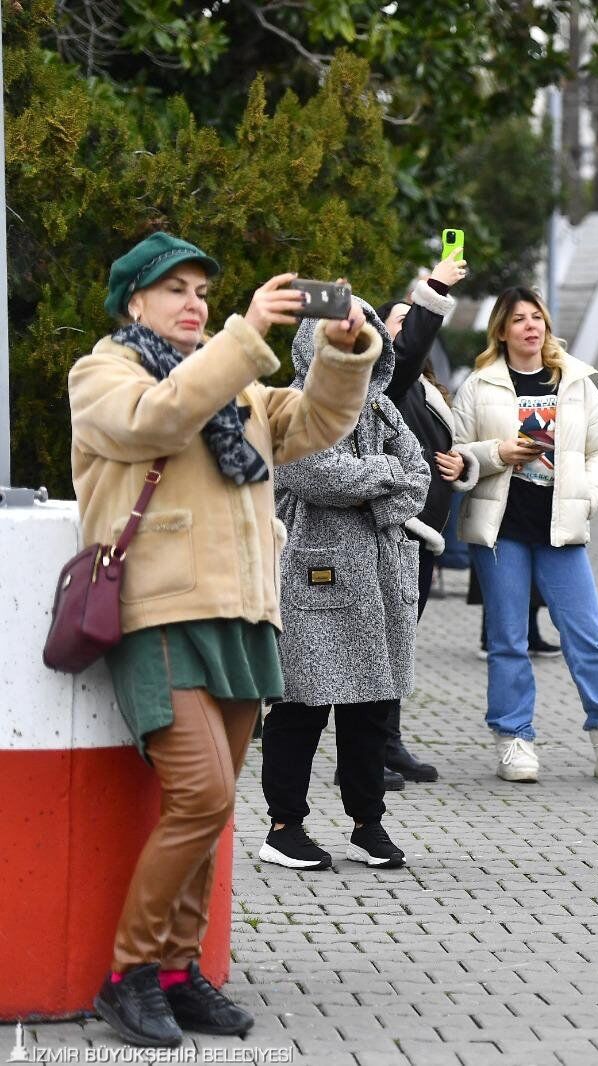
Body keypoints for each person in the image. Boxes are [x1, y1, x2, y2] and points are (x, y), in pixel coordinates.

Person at [71, 233, 378, 1046]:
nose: (193, 303)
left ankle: (176, 970)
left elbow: (310, 423)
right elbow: (156, 420)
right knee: (202, 793)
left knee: (212, 810)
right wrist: (246, 336)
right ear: (133, 302)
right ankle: (128, 973)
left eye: (202, 290)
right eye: (174, 289)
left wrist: (343, 356)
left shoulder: (231, 379)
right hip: (157, 611)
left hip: (243, 615)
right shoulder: (106, 372)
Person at [260, 300, 432, 874]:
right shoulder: (293, 406)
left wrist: (374, 486)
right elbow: (309, 472)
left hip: (382, 576)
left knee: (372, 706)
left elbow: (420, 478)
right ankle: (284, 826)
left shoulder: (385, 409)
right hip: (316, 571)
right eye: (343, 333)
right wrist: (383, 479)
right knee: (301, 703)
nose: (356, 341)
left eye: (366, 333)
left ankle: (368, 821)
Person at [452, 286, 598, 784]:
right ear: (502, 330)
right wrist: (499, 453)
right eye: (518, 319)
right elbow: (454, 454)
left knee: (587, 637)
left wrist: (589, 497)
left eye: (537, 318)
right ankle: (514, 741)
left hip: (562, 529)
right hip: (502, 529)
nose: (530, 327)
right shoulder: (480, 385)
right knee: (508, 639)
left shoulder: (575, 381)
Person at [375, 253, 476, 785]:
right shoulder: (383, 383)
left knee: (400, 643)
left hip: (425, 533)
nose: (406, 329)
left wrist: (463, 463)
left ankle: (388, 743)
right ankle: (371, 749)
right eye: (398, 320)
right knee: (380, 643)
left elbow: (453, 446)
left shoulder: (425, 389)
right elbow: (409, 348)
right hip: (392, 530)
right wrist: (433, 289)